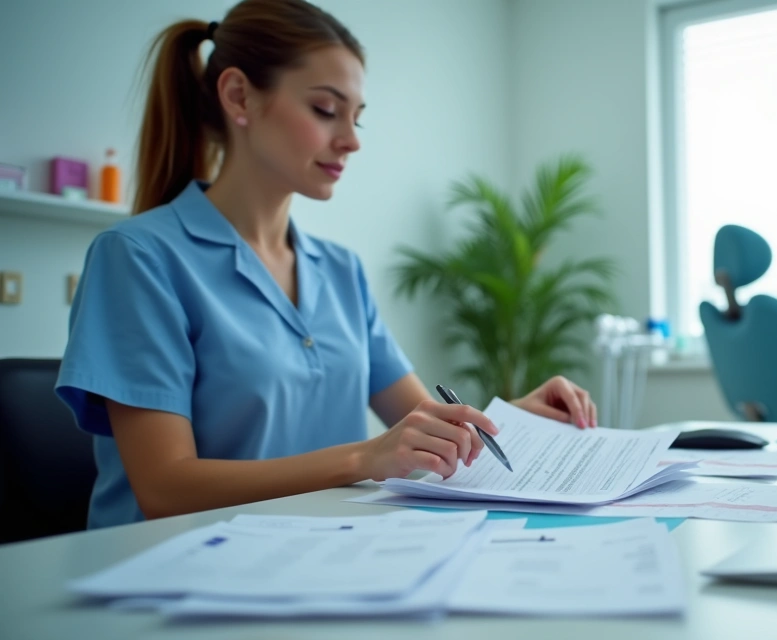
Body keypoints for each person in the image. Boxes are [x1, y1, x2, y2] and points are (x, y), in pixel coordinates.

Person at [55, 0, 597, 530]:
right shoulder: (139, 258)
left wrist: (514, 418)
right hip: (169, 580)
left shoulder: (340, 271)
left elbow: (420, 421)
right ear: (239, 95)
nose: (352, 140)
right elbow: (165, 489)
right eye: (324, 109)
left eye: (356, 117)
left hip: (319, 560)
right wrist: (362, 459)